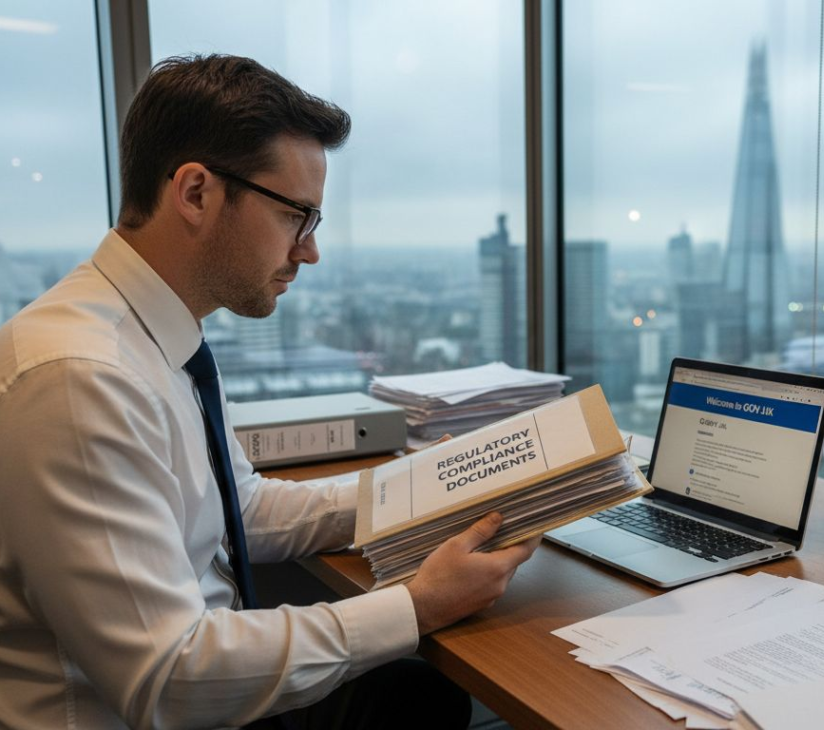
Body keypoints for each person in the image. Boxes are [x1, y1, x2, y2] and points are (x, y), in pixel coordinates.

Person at [0, 54, 539, 729]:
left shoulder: (154, 334)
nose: (309, 251)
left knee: (414, 694)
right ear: (196, 193)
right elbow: (167, 677)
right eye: (295, 216)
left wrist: (418, 492)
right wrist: (418, 605)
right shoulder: (79, 377)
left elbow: (241, 509)